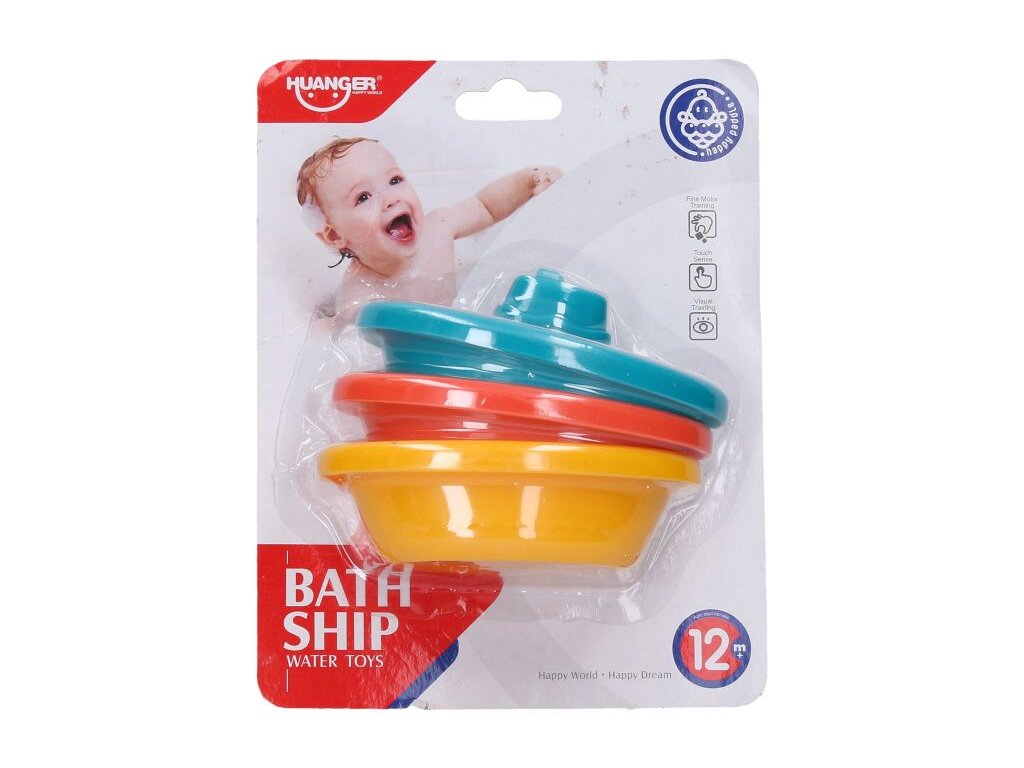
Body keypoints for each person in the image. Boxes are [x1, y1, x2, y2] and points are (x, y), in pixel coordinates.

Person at [296, 137, 560, 323]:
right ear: (335, 235)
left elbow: (486, 206)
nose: (391, 199)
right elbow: (359, 350)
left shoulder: (438, 229)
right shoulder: (359, 295)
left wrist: (528, 180)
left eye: (394, 180)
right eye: (363, 197)